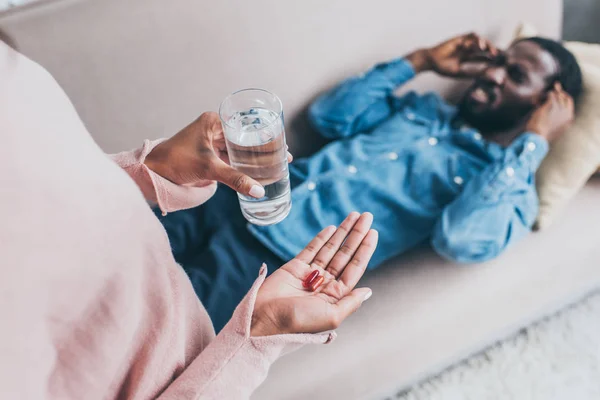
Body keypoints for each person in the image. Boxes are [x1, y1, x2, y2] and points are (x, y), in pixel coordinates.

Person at [0, 38, 378, 399]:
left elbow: (37, 194)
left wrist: (151, 170)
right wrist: (257, 339)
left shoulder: (10, 67)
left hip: (167, 258)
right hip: (184, 362)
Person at [156, 33, 583, 330]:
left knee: (158, 317)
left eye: (517, 76)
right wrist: (422, 61)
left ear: (545, 104)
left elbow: (461, 238)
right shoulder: (423, 108)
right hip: (237, 195)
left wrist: (535, 141)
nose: (493, 75)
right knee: (117, 252)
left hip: (274, 261)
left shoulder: (512, 188)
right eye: (500, 62)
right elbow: (330, 116)